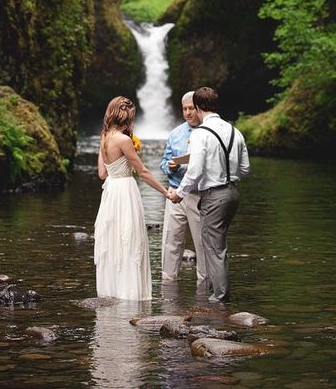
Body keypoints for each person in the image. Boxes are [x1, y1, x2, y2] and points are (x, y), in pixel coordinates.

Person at [169, 87, 250, 302]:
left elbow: (194, 171)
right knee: (218, 243)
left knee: (214, 248)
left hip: (214, 195)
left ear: (197, 107)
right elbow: (245, 169)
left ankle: (219, 297)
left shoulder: (200, 134)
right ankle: (218, 293)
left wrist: (179, 193)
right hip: (232, 193)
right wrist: (226, 173)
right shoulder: (235, 131)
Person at [94, 96, 168, 301]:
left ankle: (111, 292)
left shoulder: (104, 136)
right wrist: (166, 193)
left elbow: (102, 173)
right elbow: (143, 172)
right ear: (126, 116)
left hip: (110, 193)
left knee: (113, 240)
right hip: (125, 191)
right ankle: (131, 295)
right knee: (130, 240)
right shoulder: (124, 141)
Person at [160, 91, 208, 293]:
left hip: (199, 194)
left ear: (199, 108)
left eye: (191, 108)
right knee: (171, 240)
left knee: (202, 242)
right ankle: (168, 286)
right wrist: (169, 167)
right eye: (184, 109)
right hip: (175, 192)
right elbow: (164, 162)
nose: (187, 113)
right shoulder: (176, 133)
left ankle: (204, 287)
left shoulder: (208, 132)